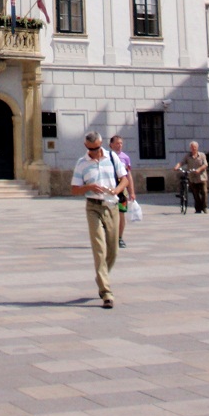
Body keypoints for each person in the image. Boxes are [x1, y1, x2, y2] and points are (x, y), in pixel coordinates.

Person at [71, 131, 128, 309]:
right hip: (93, 207)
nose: (94, 152)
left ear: (101, 143)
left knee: (113, 249)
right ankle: (106, 292)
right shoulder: (82, 163)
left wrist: (117, 190)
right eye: (91, 149)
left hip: (111, 206)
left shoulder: (111, 157)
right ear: (86, 146)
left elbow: (124, 179)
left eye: (96, 148)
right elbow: (74, 189)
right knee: (99, 249)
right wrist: (88, 187)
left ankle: (101, 276)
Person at [109, 135, 134, 249]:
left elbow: (128, 176)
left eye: (121, 143)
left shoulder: (125, 158)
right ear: (111, 145)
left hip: (122, 192)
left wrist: (132, 191)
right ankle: (109, 237)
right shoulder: (106, 157)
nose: (119, 145)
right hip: (109, 190)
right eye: (117, 143)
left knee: (121, 214)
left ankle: (119, 237)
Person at [174, 141, 209, 214]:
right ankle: (198, 209)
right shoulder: (188, 156)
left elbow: (205, 164)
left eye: (195, 147)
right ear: (190, 148)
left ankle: (204, 207)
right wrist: (177, 166)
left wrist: (199, 169)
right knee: (195, 194)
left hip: (202, 177)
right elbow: (182, 162)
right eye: (192, 147)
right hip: (192, 178)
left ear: (197, 148)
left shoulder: (202, 155)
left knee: (204, 192)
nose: (193, 148)